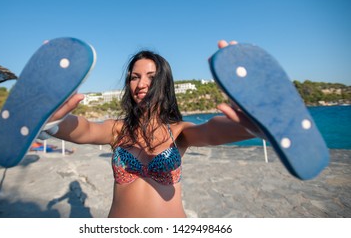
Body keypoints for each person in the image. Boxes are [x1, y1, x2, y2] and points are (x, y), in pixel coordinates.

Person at [48, 40, 256, 217]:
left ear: (164, 83)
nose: (141, 84)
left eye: (151, 76)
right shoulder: (117, 129)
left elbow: (211, 132)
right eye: (134, 77)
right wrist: (53, 119)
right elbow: (85, 130)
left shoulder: (179, 131)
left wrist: (251, 123)